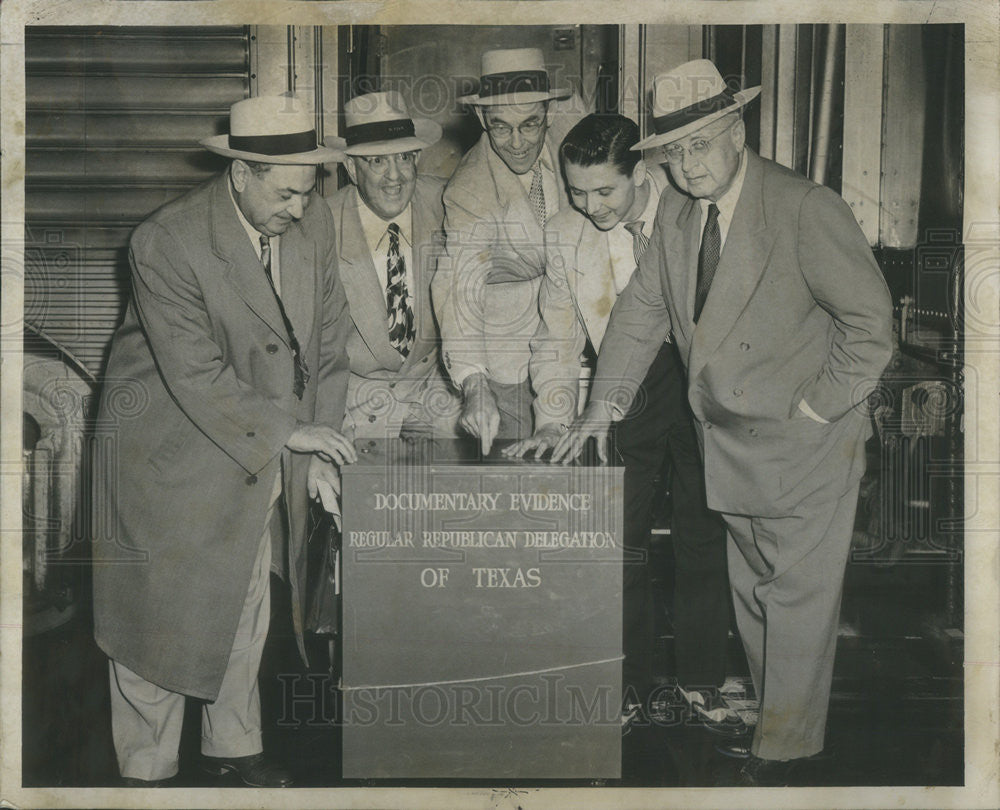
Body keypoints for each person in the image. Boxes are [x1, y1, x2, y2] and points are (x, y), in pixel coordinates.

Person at [552, 60, 893, 785]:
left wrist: (815, 407)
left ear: (736, 131)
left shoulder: (804, 207)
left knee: (796, 599)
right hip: (731, 446)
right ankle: (776, 724)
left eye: (700, 145)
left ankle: (787, 750)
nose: (687, 164)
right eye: (673, 151)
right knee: (755, 593)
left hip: (808, 444)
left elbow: (871, 327)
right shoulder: (677, 213)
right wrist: (601, 406)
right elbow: (641, 316)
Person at [92, 95, 355, 788]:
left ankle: (234, 750)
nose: (300, 209)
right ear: (241, 172)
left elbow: (327, 346)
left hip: (260, 440)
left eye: (308, 192)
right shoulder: (166, 241)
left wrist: (321, 449)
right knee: (159, 620)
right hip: (169, 451)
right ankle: (146, 773)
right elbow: (196, 372)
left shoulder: (313, 221)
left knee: (244, 598)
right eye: (287, 193)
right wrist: (292, 432)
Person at [504, 113, 732, 733]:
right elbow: (555, 337)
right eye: (577, 191)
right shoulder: (564, 234)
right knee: (617, 542)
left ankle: (702, 683)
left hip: (700, 391)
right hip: (621, 395)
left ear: (641, 170)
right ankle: (626, 686)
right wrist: (554, 420)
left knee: (702, 537)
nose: (590, 205)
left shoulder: (692, 211)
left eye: (605, 190)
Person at [432, 47, 586, 453]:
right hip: (513, 346)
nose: (517, 143)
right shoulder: (468, 191)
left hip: (591, 322)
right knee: (527, 468)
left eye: (530, 124)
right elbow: (458, 290)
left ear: (550, 113)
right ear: (483, 119)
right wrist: (475, 384)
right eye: (500, 127)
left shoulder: (577, 133)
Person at [326, 91, 460, 440]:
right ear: (351, 168)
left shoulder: (448, 202)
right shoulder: (320, 225)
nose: (395, 177)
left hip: (437, 393)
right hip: (353, 407)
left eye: (404, 158)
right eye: (377, 162)